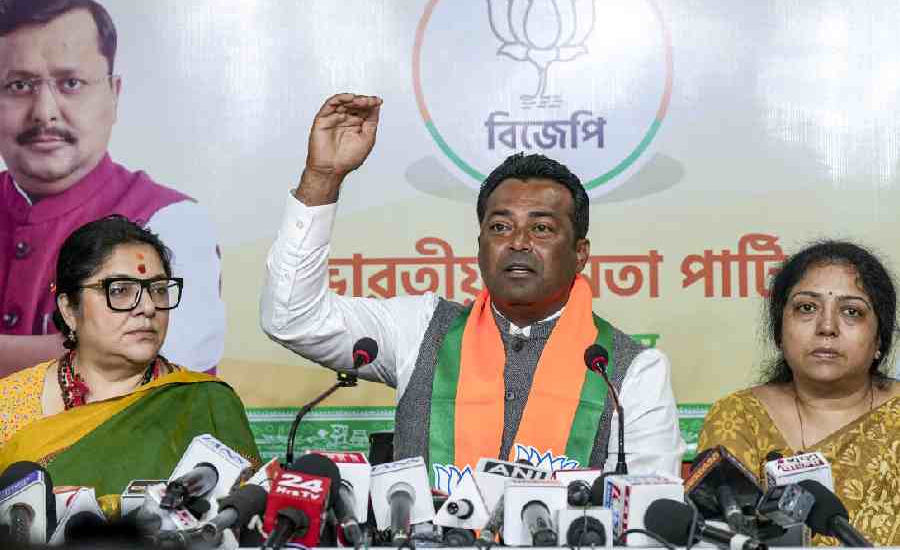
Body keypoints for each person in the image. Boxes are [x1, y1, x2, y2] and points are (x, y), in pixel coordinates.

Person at [260, 93, 684, 492]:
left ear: (580, 254)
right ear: (480, 244)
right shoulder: (420, 329)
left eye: (541, 228)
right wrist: (322, 179)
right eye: (500, 227)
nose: (518, 242)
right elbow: (293, 317)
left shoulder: (629, 372)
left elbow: (646, 516)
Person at [0, 0, 224, 376]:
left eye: (70, 83)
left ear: (113, 94)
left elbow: (144, 361)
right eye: (20, 85)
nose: (44, 112)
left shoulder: (172, 222)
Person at [0, 216, 259, 497]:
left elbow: (240, 522)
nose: (148, 307)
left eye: (159, 290)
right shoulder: (9, 404)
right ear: (69, 309)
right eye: (120, 290)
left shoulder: (206, 401)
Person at [698, 240, 900, 545]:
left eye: (851, 311)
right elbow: (720, 537)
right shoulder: (739, 416)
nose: (827, 326)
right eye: (807, 308)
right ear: (779, 331)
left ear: (879, 341)